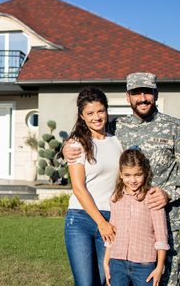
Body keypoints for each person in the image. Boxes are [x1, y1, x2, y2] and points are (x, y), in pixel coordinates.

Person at [62, 72, 180, 286]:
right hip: (124, 221)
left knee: (164, 280)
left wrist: (168, 193)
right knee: (118, 278)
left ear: (156, 94)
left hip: (163, 220)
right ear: (128, 97)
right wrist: (64, 148)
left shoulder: (175, 128)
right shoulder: (117, 127)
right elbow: (88, 135)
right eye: (136, 93)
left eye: (148, 92)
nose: (143, 98)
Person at [64, 87, 123, 286]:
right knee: (85, 283)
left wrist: (109, 222)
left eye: (100, 111)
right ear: (82, 116)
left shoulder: (118, 142)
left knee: (104, 280)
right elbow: (78, 188)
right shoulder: (77, 144)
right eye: (90, 113)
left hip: (111, 219)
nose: (96, 117)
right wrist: (101, 222)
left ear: (106, 110)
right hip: (81, 220)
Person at [103, 148, 170, 286]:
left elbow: (161, 236)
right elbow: (112, 232)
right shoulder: (115, 198)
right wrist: (106, 261)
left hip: (144, 266)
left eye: (138, 175)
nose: (132, 180)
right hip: (117, 264)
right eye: (127, 175)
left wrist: (159, 268)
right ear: (120, 174)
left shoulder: (152, 198)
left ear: (145, 173)